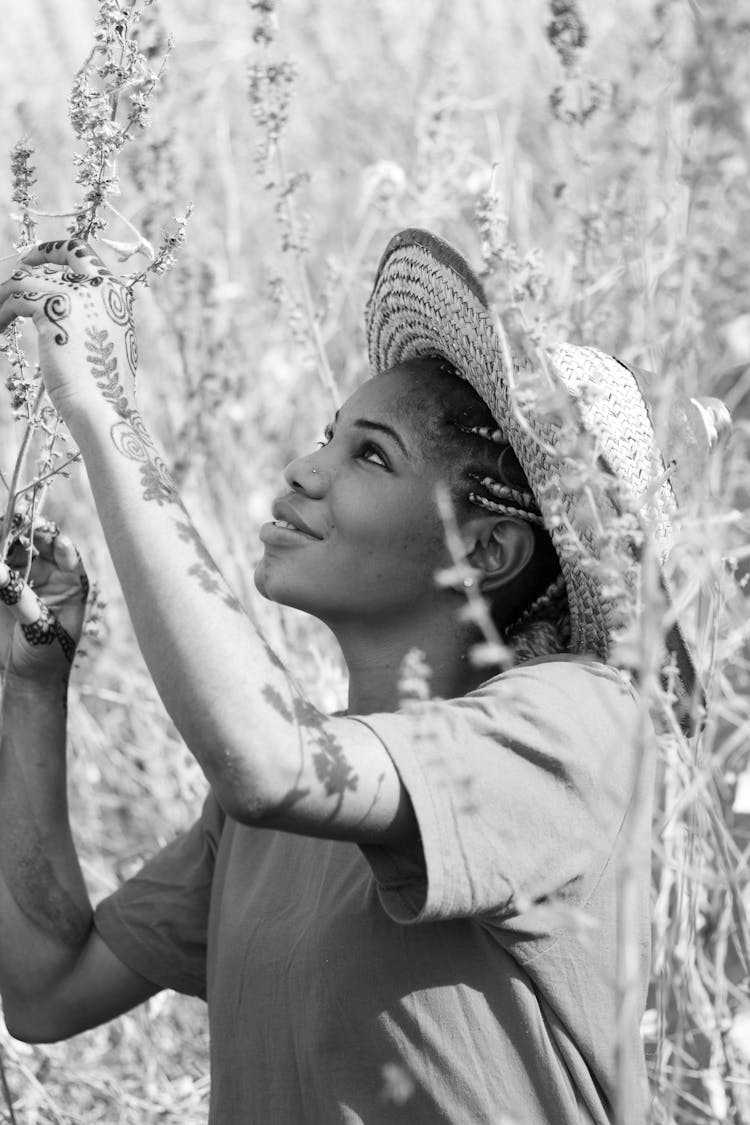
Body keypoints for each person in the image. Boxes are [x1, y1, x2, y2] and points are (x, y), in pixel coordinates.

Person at [0, 229, 691, 1123]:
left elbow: (269, 758)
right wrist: (31, 688)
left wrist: (103, 407)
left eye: (370, 454)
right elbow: (47, 990)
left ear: (485, 550)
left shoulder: (582, 725)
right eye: (331, 434)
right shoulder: (276, 820)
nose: (303, 468)